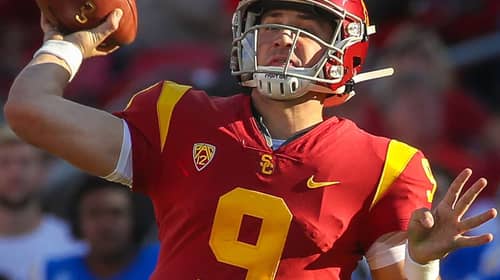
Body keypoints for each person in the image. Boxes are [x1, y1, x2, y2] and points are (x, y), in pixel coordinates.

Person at [4, 0, 498, 279]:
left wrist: (422, 263)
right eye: (271, 24)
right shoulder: (180, 116)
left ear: (345, 49)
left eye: (304, 26)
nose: (283, 37)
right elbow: (30, 112)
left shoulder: (387, 164)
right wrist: (64, 46)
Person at [0, 124, 85, 280]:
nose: (15, 174)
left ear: (44, 171)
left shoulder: (72, 244)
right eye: (4, 163)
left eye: (24, 162)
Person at [41, 176, 159, 280]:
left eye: (116, 213)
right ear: (78, 221)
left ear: (135, 217)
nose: (106, 225)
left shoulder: (162, 261)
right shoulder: (51, 272)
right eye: (94, 214)